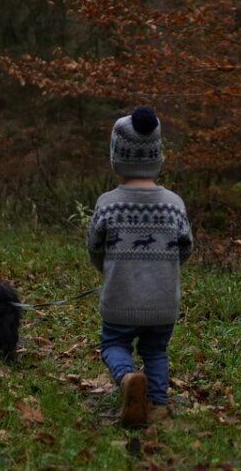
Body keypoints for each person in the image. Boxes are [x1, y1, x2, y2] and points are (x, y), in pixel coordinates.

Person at [87, 106, 193, 427]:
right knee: (156, 351)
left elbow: (95, 249)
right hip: (162, 303)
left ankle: (127, 378)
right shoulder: (174, 204)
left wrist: (108, 271)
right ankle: (158, 405)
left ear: (117, 156)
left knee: (113, 344)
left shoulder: (108, 203)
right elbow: (185, 249)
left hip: (120, 300)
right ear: (157, 155)